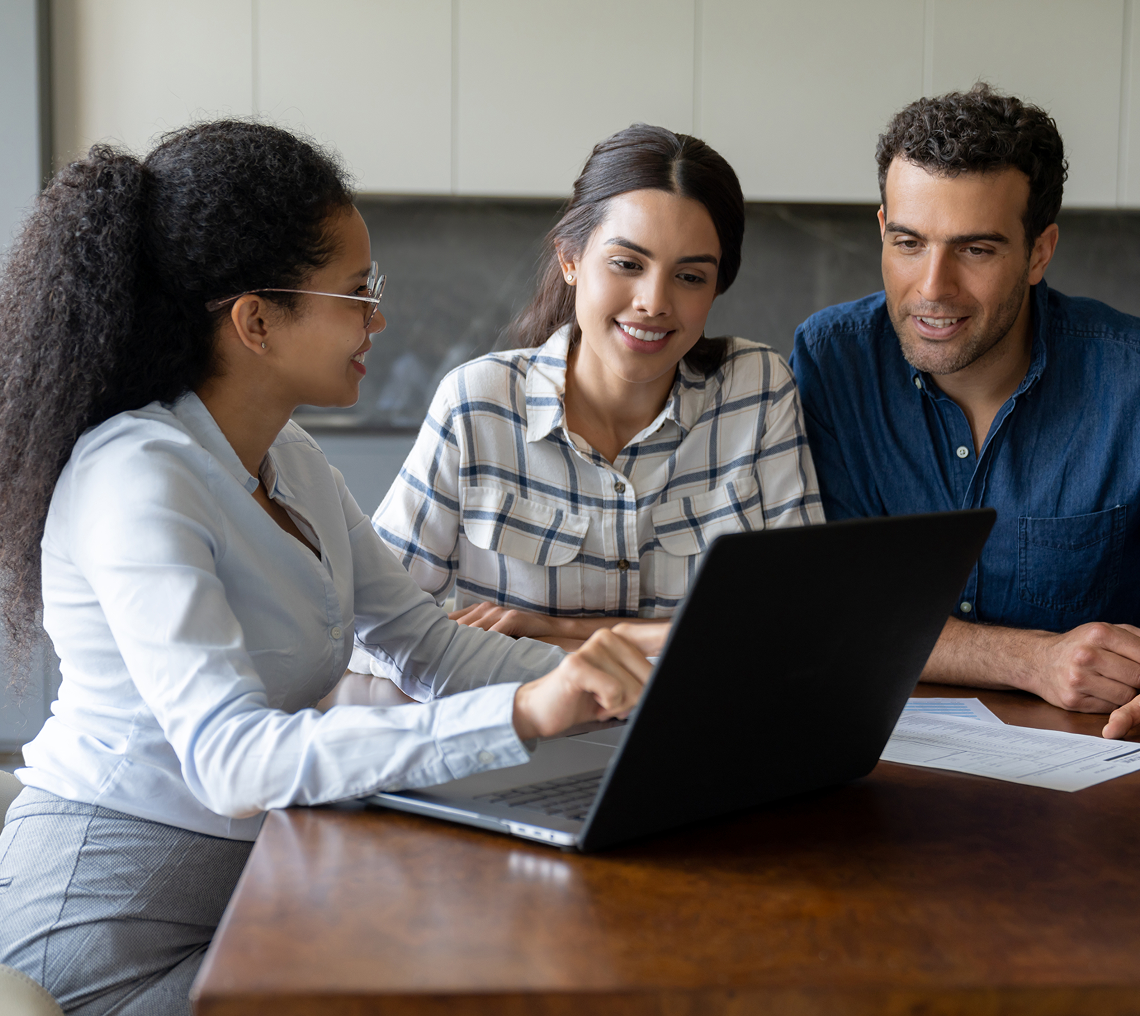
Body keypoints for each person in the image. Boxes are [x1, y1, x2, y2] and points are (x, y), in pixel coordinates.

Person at [0, 122, 663, 1015]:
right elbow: (231, 763)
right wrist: (523, 713)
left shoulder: (291, 459)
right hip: (107, 930)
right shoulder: (137, 474)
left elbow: (424, 645)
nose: (379, 320)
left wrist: (640, 683)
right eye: (357, 293)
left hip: (246, 890)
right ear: (256, 320)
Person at [353, 123, 822, 667]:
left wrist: (562, 632)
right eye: (627, 264)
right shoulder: (477, 403)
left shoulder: (758, 391)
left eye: (690, 277)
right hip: (523, 737)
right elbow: (370, 627)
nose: (653, 301)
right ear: (571, 260)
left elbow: (803, 623)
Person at [789, 83, 1140, 740]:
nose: (932, 288)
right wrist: (1034, 659)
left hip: (1093, 771)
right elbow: (828, 607)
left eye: (975, 249)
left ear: (1039, 252)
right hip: (873, 761)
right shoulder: (831, 361)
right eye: (909, 242)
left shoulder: (1131, 379)